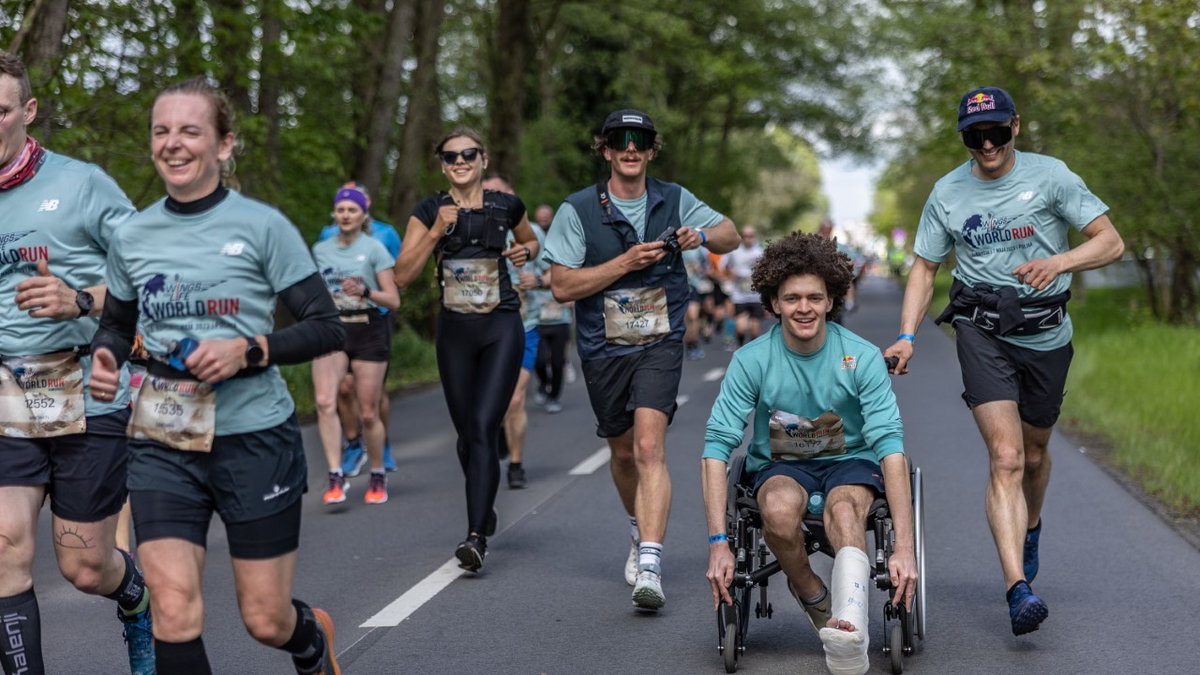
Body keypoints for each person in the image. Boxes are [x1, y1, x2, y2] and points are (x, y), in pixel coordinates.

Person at [88, 76, 345, 674]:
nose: (173, 144)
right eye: (161, 131)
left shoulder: (262, 226)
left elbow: (327, 326)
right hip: (162, 441)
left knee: (265, 619)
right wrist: (106, 356)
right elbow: (116, 325)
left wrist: (248, 350)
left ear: (225, 145)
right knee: (172, 610)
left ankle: (311, 639)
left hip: (254, 438)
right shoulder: (133, 234)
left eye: (190, 131)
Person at [884, 86, 1124, 636]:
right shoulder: (947, 192)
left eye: (996, 131)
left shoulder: (1051, 176)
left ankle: (1030, 524)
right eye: (975, 136)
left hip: (1045, 333)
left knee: (1036, 455)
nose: (987, 144)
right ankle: (1018, 587)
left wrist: (1059, 261)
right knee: (1008, 456)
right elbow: (924, 267)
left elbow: (1110, 243)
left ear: (1015, 126)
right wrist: (906, 334)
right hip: (982, 328)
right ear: (965, 139)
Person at [543, 108, 739, 609]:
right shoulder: (578, 209)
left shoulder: (674, 199)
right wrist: (624, 263)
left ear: (652, 150)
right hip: (602, 347)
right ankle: (638, 527)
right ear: (605, 149)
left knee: (651, 446)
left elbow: (731, 236)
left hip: (660, 340)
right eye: (619, 140)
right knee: (624, 452)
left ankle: (651, 562)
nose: (630, 149)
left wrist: (702, 235)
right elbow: (563, 286)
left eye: (641, 140)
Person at [0, 49, 153, 675]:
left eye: (0, 110)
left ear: (27, 112)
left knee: (85, 566)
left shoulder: (80, 183)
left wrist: (79, 298)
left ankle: (137, 603)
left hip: (85, 385)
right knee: (5, 546)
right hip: (6, 390)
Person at [703, 232, 917, 675]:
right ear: (774, 302)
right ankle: (817, 599)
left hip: (849, 462)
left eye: (815, 298)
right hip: (779, 466)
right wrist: (718, 545)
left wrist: (904, 547)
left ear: (831, 300)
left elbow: (891, 448)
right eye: (792, 297)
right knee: (778, 511)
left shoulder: (860, 357)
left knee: (843, 513)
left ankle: (851, 621)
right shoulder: (751, 359)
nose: (804, 307)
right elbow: (716, 449)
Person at [393, 128, 539, 572]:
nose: (460, 161)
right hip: (454, 331)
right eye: (450, 156)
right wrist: (437, 230)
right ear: (442, 164)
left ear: (483, 159)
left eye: (468, 154)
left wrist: (524, 252)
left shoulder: (506, 205)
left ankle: (476, 537)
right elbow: (401, 275)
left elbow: (530, 240)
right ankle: (484, 500)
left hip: (501, 325)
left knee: (482, 424)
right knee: (467, 436)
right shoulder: (428, 211)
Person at [312, 184, 400, 505]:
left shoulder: (375, 248)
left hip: (368, 328)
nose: (346, 215)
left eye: (352, 210)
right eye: (341, 210)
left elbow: (393, 300)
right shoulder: (320, 250)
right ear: (334, 214)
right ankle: (335, 476)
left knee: (367, 412)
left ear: (363, 214)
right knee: (325, 402)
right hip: (333, 329)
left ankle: (377, 472)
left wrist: (366, 292)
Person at [481, 174, 546, 489]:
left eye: (498, 192)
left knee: (515, 398)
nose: (491, 197)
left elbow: (556, 271)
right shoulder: (472, 231)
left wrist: (539, 281)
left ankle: (516, 464)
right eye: (486, 192)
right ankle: (500, 436)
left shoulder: (533, 234)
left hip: (525, 325)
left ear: (512, 196)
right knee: (490, 400)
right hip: (483, 328)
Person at [532, 204, 573, 413]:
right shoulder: (530, 249)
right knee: (539, 360)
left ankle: (554, 396)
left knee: (557, 361)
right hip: (537, 317)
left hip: (559, 317)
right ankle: (543, 383)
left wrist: (571, 296)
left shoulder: (566, 247)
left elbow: (576, 275)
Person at [722, 225, 766, 347]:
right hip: (739, 295)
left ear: (754, 236)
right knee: (741, 328)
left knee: (754, 329)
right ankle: (741, 347)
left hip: (755, 296)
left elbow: (767, 270)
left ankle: (751, 352)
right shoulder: (734, 251)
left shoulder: (760, 252)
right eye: (745, 236)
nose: (748, 239)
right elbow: (725, 267)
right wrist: (730, 272)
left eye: (750, 236)